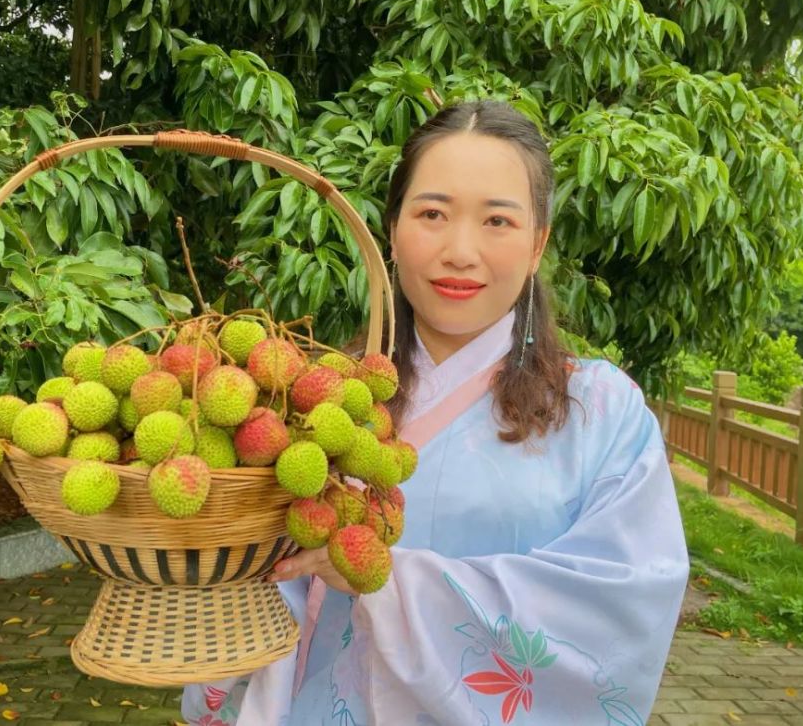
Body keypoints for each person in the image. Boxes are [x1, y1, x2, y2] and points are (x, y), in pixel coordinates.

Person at [180, 100, 690, 725]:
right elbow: (254, 575)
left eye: (497, 221)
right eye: (432, 214)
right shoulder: (316, 398)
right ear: (392, 230)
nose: (460, 250)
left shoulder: (603, 413)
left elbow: (625, 602)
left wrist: (390, 580)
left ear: (538, 244)